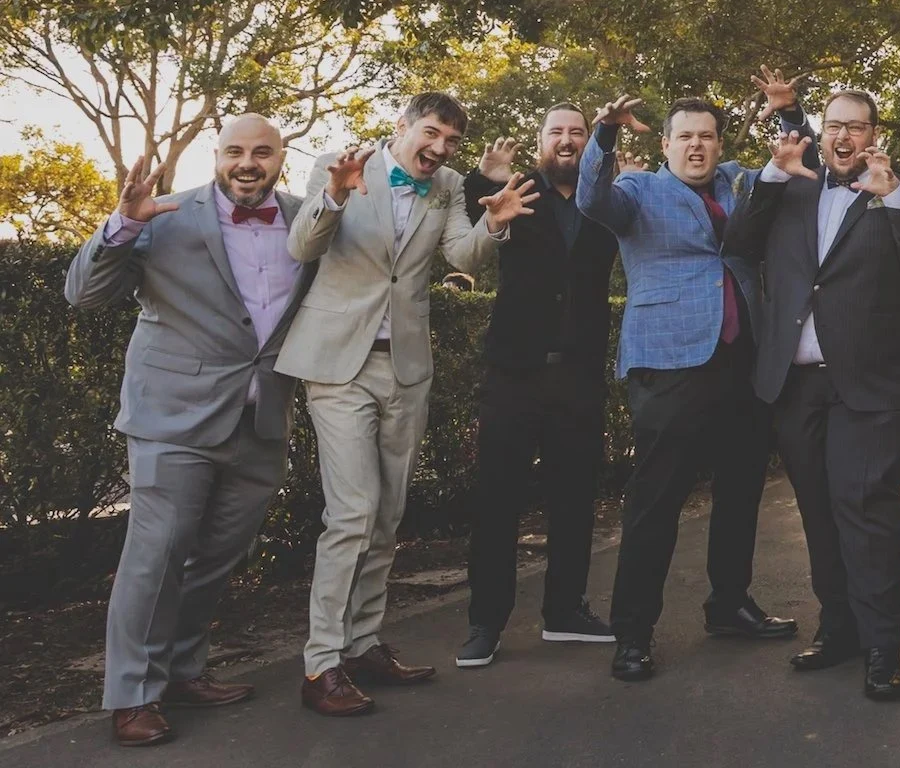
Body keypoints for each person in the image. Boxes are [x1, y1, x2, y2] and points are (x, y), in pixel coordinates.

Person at [278, 92, 530, 716]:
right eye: (433, 134)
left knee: (387, 515)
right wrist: (336, 193)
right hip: (338, 363)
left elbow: (461, 255)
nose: (441, 150)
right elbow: (302, 248)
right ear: (403, 127)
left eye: (451, 142)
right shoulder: (340, 164)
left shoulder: (445, 186)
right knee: (353, 512)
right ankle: (321, 665)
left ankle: (362, 644)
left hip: (406, 368)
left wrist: (494, 224)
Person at [64, 119, 310, 747]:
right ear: (218, 157)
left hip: (261, 417)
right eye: (235, 152)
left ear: (282, 157)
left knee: (217, 556)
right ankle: (132, 694)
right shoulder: (165, 216)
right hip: (172, 416)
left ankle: (180, 669)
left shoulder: (309, 220)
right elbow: (84, 294)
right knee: (157, 554)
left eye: (262, 152)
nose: (248, 163)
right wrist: (123, 223)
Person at [578, 82, 814, 682]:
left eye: (706, 136)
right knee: (656, 502)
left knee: (739, 493)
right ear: (666, 144)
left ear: (719, 142)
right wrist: (603, 136)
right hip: (669, 362)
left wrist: (789, 111)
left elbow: (800, 158)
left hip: (743, 360)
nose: (697, 146)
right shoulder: (638, 188)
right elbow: (592, 200)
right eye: (685, 136)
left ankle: (729, 603)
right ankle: (633, 633)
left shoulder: (740, 181)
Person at [723, 90, 900, 701]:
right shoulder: (788, 189)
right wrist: (772, 172)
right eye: (834, 127)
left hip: (874, 387)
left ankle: (883, 648)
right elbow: (739, 244)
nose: (843, 136)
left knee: (866, 507)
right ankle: (839, 629)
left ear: (875, 134)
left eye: (856, 126)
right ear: (820, 134)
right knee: (819, 511)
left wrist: (896, 197)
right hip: (797, 385)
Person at [456, 106, 622, 669]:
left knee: (575, 499)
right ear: (541, 141)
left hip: (578, 375)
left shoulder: (606, 201)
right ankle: (485, 622)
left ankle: (565, 612)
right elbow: (478, 214)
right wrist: (487, 176)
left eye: (578, 132)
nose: (569, 140)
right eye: (557, 132)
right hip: (515, 372)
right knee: (497, 499)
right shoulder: (516, 190)